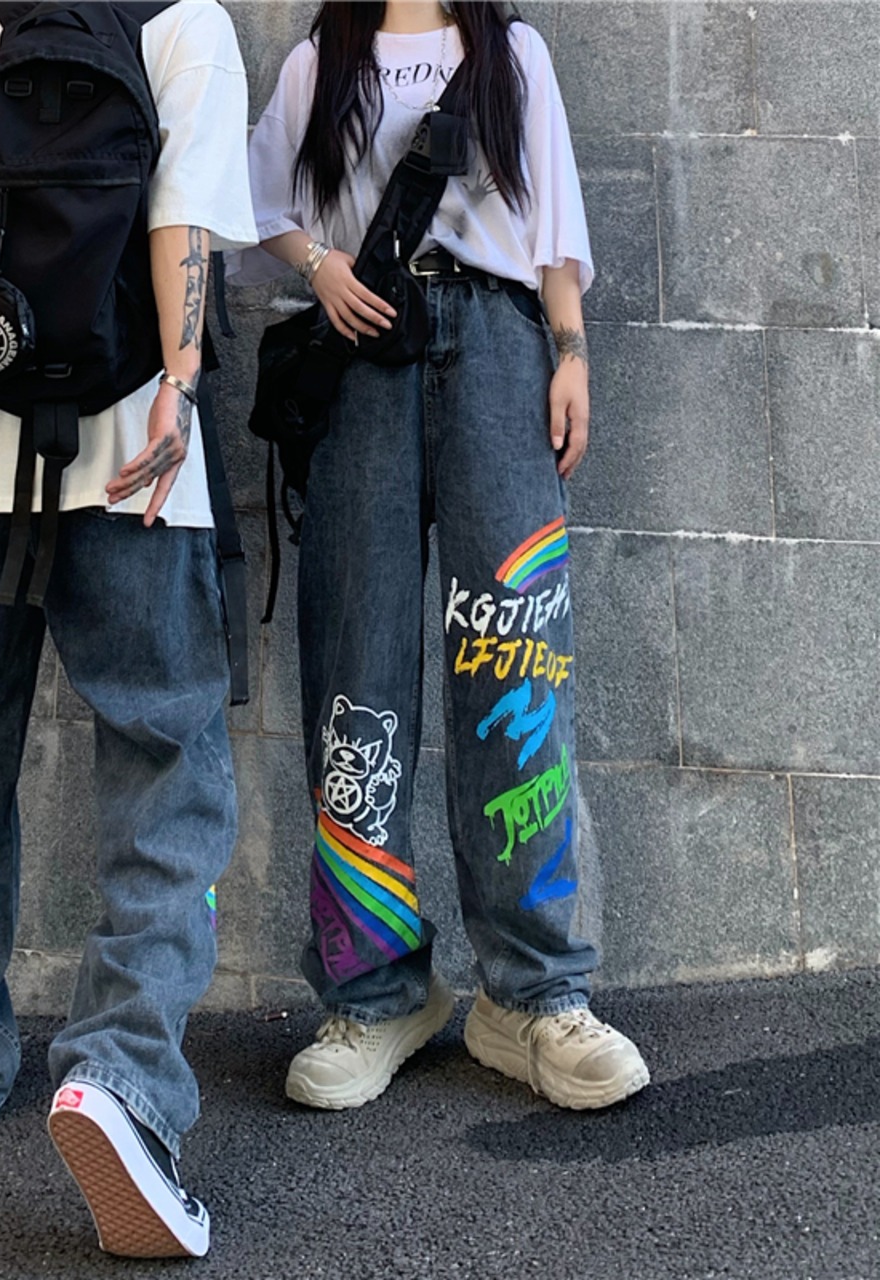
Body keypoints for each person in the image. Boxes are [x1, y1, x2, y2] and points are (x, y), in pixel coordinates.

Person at [0, 0, 255, 1257]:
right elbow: (182, 232)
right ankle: (120, 1076)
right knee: (165, 762)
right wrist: (179, 391)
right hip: (134, 452)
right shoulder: (185, 22)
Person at [231, 0, 649, 1113]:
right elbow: (252, 199)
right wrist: (320, 262)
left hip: (502, 353)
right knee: (355, 673)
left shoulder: (511, 53)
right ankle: (374, 993)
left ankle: (535, 993)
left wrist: (570, 352)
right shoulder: (323, 59)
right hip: (363, 358)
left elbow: (552, 221)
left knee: (517, 664)